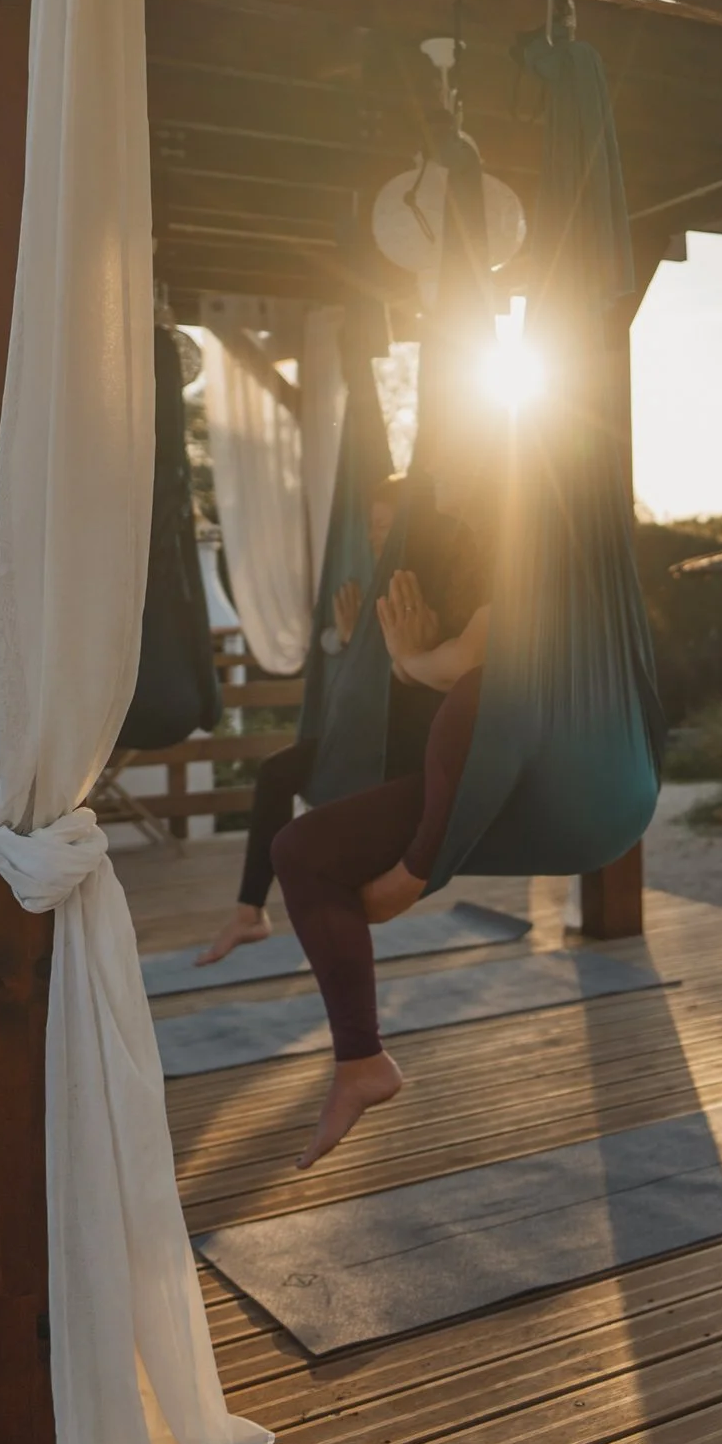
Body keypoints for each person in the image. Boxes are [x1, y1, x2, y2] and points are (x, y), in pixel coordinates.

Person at [263, 471, 495, 1170]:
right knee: (300, 847)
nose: (435, 468)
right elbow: (437, 668)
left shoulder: (519, 542)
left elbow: (473, 665)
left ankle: (411, 875)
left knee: (304, 847)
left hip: (509, 764)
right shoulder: (451, 556)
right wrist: (409, 661)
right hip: (453, 759)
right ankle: (360, 1059)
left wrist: (412, 660)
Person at [195, 476, 425, 965]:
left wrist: (358, 643)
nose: (373, 536)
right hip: (359, 740)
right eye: (370, 527)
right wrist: (346, 641)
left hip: (402, 749)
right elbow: (342, 669)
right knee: (277, 773)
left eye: (385, 525)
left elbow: (412, 676)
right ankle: (249, 911)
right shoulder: (372, 582)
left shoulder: (418, 583)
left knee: (315, 837)